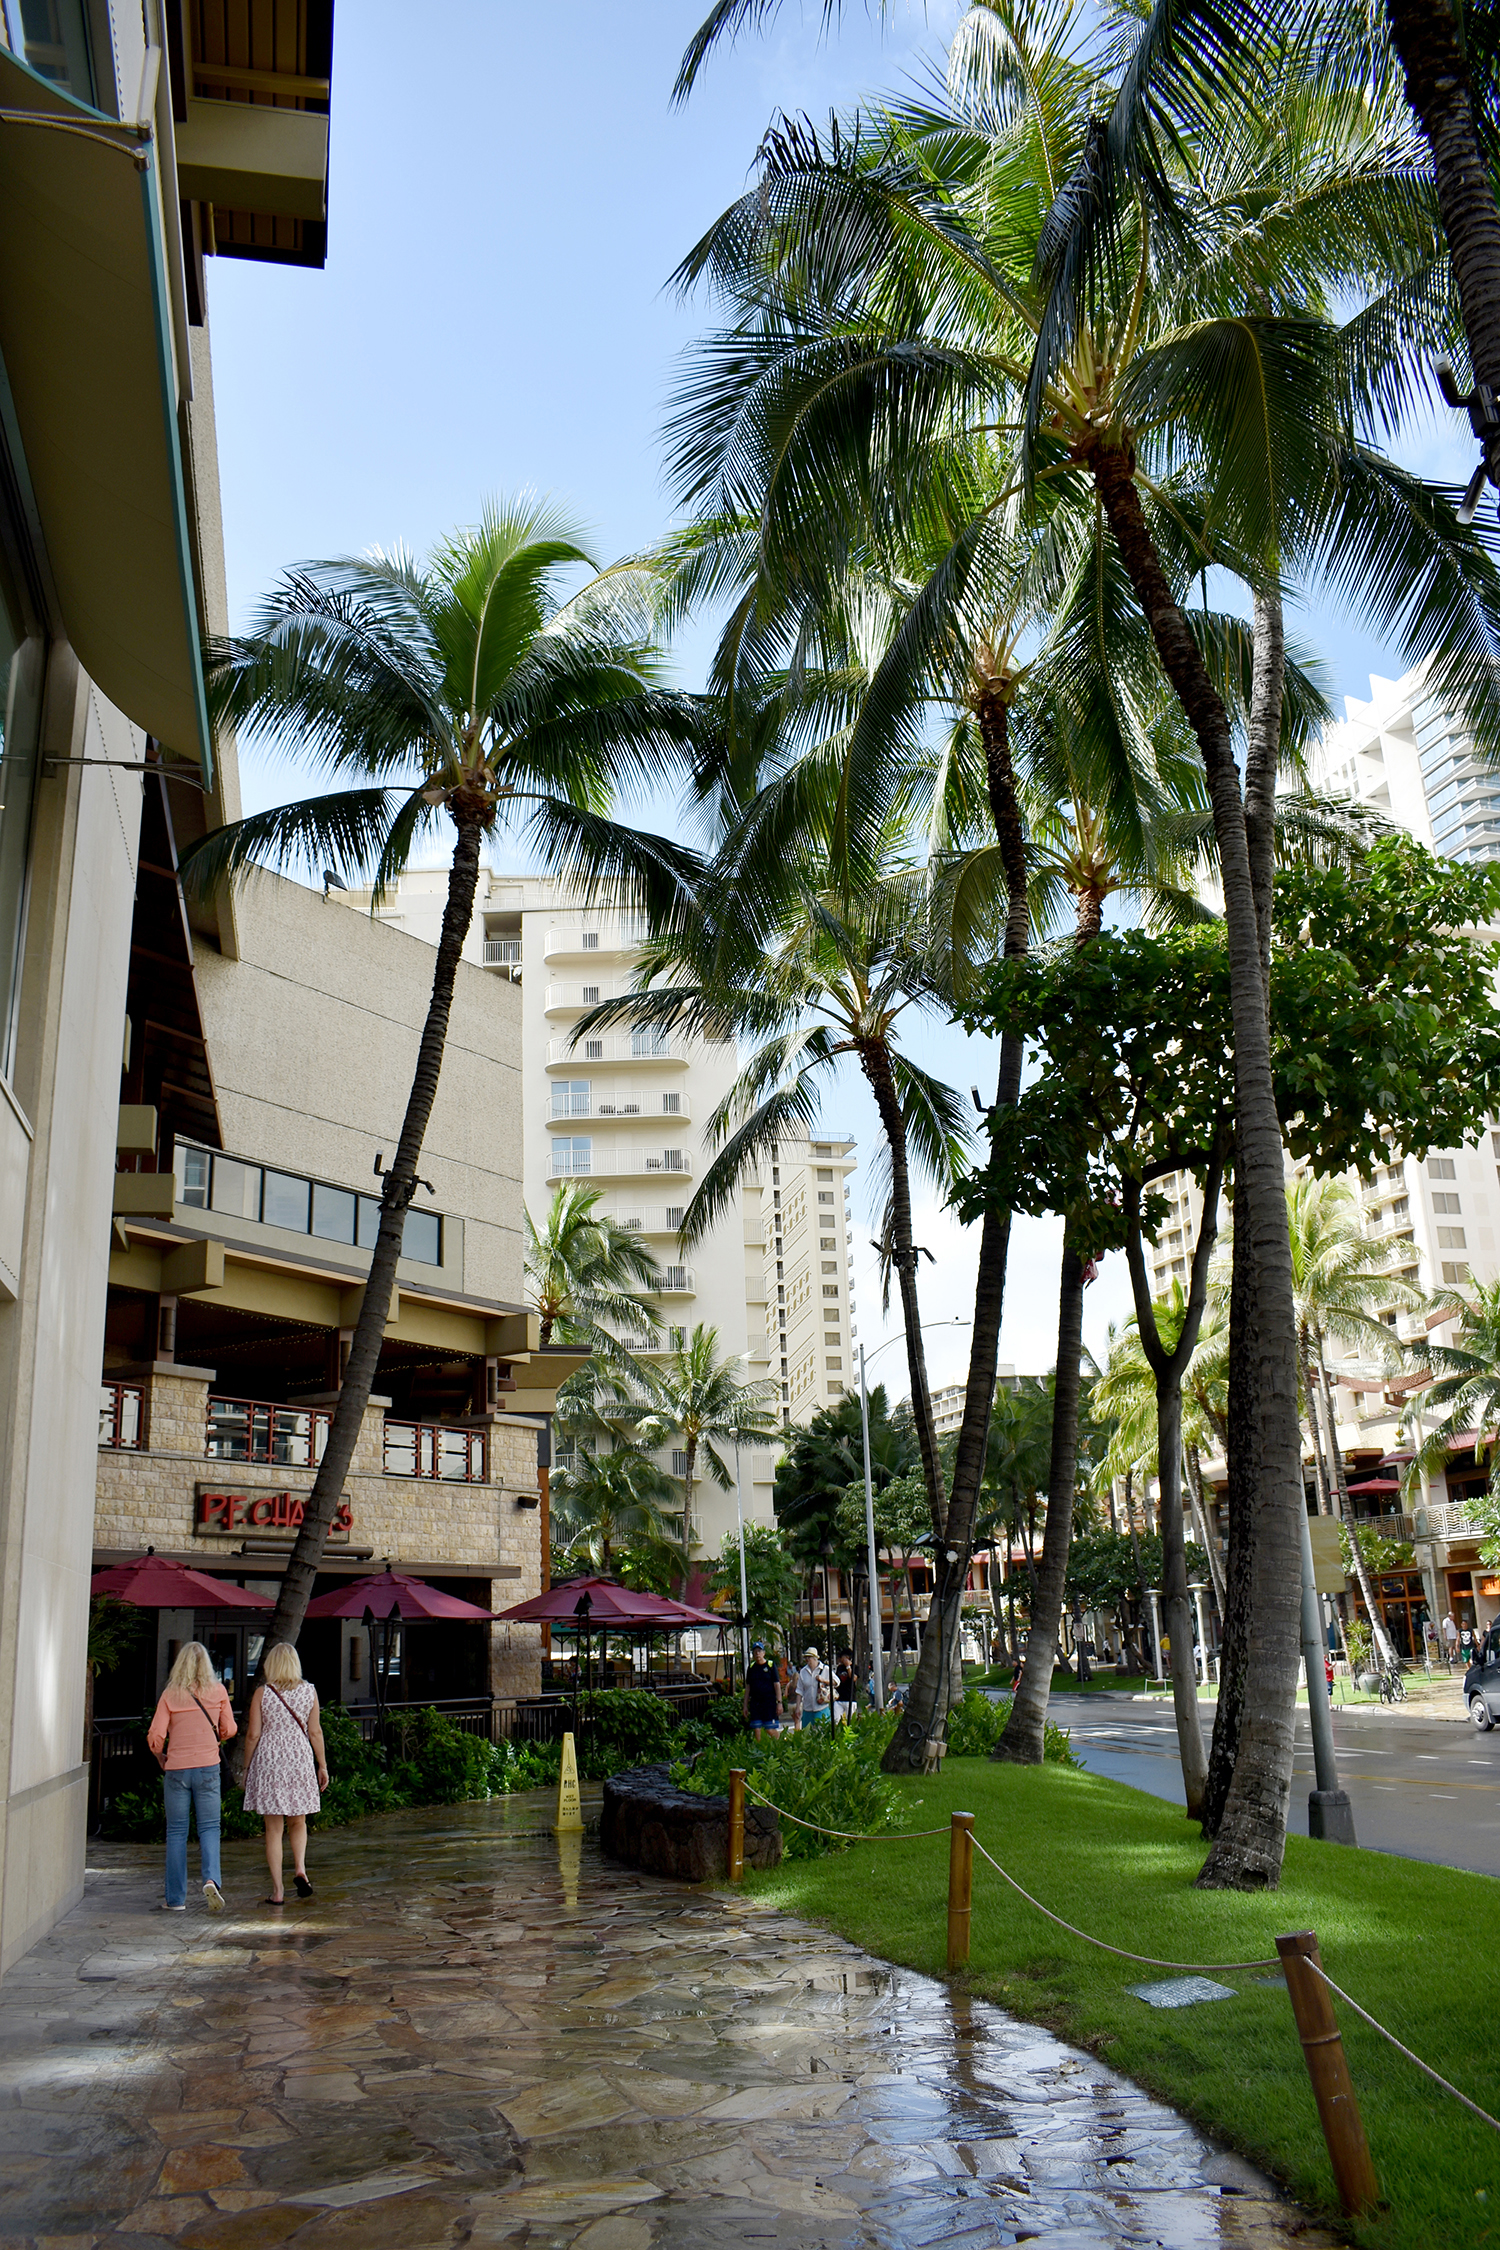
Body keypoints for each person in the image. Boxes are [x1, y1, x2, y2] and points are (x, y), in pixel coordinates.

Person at [146, 1642, 235, 1913]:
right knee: (209, 1827)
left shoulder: (170, 1694)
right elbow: (229, 1729)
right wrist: (216, 1735)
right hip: (208, 1767)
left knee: (176, 1831)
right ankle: (211, 1880)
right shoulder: (218, 1691)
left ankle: (175, 1899)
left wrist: (160, 1756)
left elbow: (155, 1736)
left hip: (177, 1769)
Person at [242, 1641, 328, 1905]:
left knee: (273, 1828)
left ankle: (278, 1891)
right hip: (299, 1757)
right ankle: (300, 1868)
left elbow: (253, 1734)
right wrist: (322, 1764)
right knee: (298, 1821)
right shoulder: (309, 1691)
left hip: (270, 1759)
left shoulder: (262, 1693)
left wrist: (246, 1767)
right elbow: (315, 1731)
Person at [742, 1640, 782, 1733]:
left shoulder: (770, 1665)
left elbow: (777, 1685)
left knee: (770, 1729)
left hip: (769, 1703)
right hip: (756, 1703)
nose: (757, 1654)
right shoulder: (751, 1668)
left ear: (763, 1653)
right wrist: (745, 1705)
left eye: (759, 1651)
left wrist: (779, 1702)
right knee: (757, 1729)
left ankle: (780, 1741)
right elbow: (748, 1687)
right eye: (755, 1652)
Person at [796, 1645, 829, 1727]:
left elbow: (836, 1682)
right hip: (807, 1708)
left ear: (815, 1658)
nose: (807, 1660)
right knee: (807, 1730)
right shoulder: (803, 1671)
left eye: (809, 1657)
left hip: (821, 1707)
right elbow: (799, 1690)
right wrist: (798, 1707)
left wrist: (823, 1680)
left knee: (822, 1730)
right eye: (806, 1657)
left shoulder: (825, 1669)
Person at [834, 1654, 857, 1722]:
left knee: (850, 1720)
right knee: (836, 1720)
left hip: (850, 1698)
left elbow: (853, 1678)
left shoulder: (855, 1667)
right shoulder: (839, 1668)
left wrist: (848, 1667)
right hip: (839, 1698)